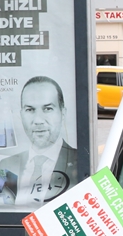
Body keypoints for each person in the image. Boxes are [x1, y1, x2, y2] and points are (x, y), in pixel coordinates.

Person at [15, 76, 80, 205]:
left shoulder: (81, 162)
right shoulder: (7, 164)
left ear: (63, 113)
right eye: (30, 110)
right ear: (21, 114)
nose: (38, 120)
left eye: (48, 109)